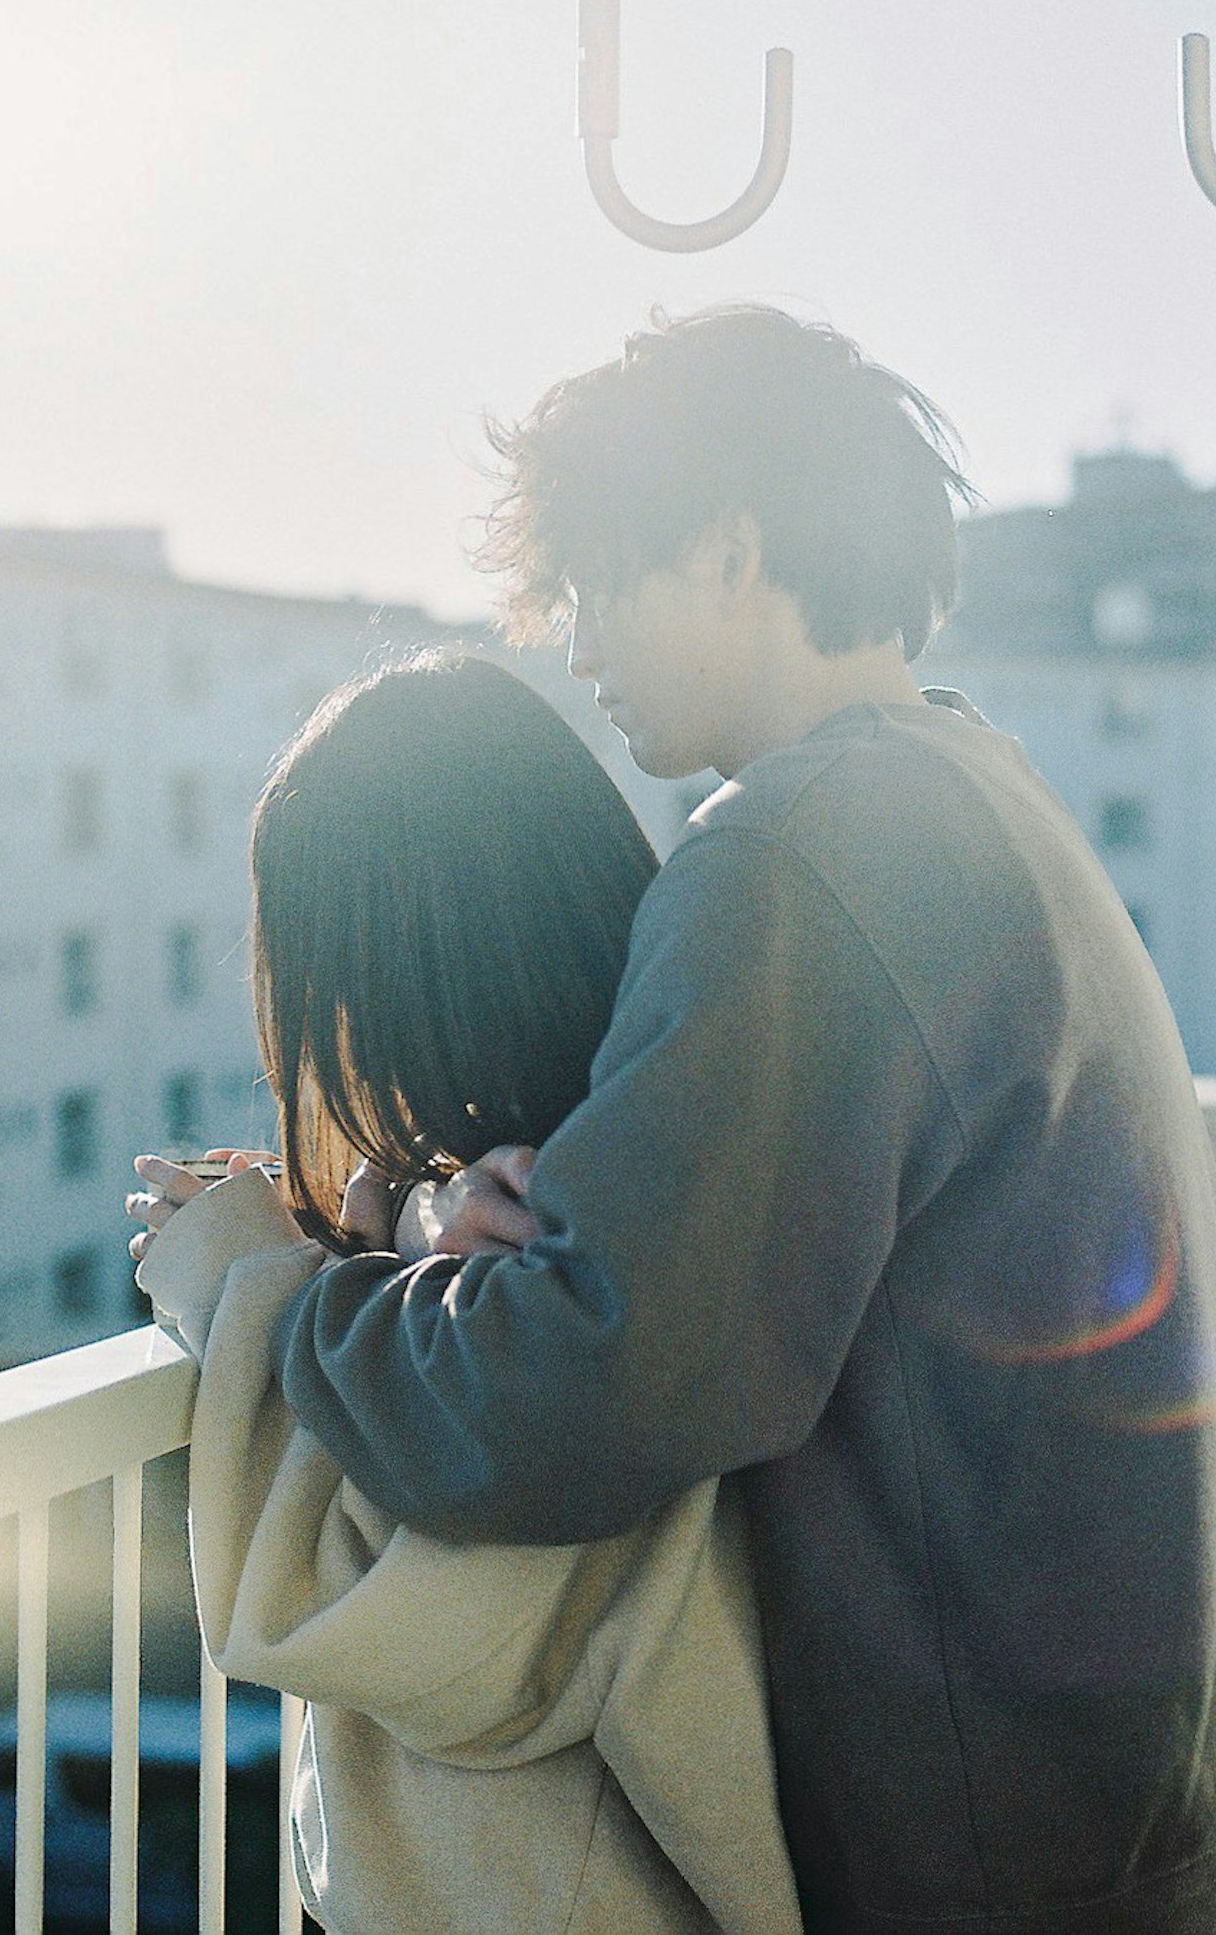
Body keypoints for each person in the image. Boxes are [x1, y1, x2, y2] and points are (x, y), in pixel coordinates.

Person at [267, 306, 1216, 1935]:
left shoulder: (804, 852)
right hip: (1128, 1811)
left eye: (593, 577)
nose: (570, 636)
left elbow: (571, 1403)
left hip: (993, 1863)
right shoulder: (968, 784)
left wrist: (311, 1285)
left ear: (729, 547)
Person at [130, 652, 802, 1935]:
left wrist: (239, 1277)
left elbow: (419, 1623)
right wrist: (397, 1217)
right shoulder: (659, 1148)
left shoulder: (564, 1257)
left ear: (379, 969)